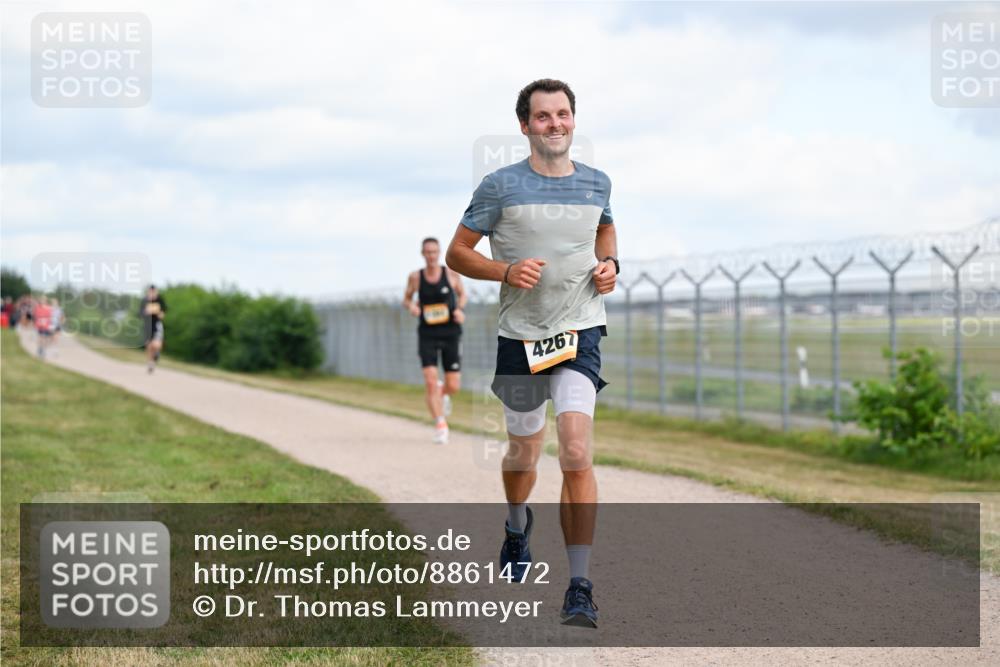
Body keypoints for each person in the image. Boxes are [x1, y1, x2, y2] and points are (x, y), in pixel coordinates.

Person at [446, 78, 618, 628]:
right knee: (523, 453)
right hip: (520, 337)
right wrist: (503, 270)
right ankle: (518, 524)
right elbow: (457, 253)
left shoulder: (597, 183)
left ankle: (580, 585)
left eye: (562, 114)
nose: (555, 125)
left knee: (574, 449)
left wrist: (611, 266)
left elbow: (606, 232)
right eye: (542, 117)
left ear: (574, 119)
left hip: (580, 331)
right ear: (525, 125)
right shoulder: (500, 186)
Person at [403, 237, 467, 444]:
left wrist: (459, 309)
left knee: (454, 385)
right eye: (427, 252)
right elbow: (406, 298)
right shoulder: (415, 277)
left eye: (434, 252)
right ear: (423, 254)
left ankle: (443, 392)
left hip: (450, 333)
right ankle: (441, 424)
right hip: (427, 334)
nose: (431, 256)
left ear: (439, 253)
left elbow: (463, 295)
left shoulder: (451, 274)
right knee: (430, 381)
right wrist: (411, 307)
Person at [138, 284, 167, 374]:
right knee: (149, 346)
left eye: (153, 291)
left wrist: (158, 313)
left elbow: (163, 313)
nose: (152, 293)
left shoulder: (159, 300)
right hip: (147, 326)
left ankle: (157, 353)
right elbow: (140, 314)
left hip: (157, 325)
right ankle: (151, 363)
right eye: (150, 291)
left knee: (156, 345)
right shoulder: (144, 301)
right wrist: (146, 312)